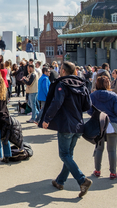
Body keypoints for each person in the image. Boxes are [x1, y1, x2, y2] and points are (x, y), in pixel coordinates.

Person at [39, 61, 93, 198]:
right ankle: (60, 181)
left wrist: (47, 119)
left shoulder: (62, 84)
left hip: (66, 125)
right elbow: (88, 105)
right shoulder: (82, 84)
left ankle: (82, 180)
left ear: (62, 70)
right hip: (79, 124)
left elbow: (56, 103)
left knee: (64, 155)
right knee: (69, 154)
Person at [88, 76, 117, 179]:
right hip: (112, 124)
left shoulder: (92, 95)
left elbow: (89, 111)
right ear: (108, 84)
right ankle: (113, 172)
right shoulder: (113, 95)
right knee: (112, 150)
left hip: (99, 124)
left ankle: (97, 170)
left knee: (99, 148)